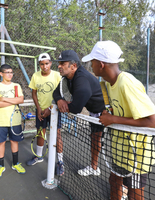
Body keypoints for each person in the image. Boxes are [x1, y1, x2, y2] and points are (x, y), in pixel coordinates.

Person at [82, 40, 155, 200]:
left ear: (101, 64)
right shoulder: (107, 84)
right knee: (114, 182)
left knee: (135, 195)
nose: (91, 65)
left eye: (92, 61)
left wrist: (113, 118)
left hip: (136, 156)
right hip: (120, 151)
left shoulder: (126, 83)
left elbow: (153, 121)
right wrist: (110, 114)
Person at [53, 50, 105, 176]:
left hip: (106, 114)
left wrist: (67, 104)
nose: (59, 66)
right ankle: (94, 167)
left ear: (74, 66)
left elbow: (76, 108)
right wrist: (60, 100)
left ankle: (124, 187)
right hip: (94, 113)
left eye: (63, 63)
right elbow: (56, 92)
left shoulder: (81, 79)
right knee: (94, 139)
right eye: (59, 63)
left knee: (116, 149)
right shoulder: (67, 77)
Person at [26, 53, 64, 176]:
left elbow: (62, 94)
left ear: (51, 63)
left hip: (55, 111)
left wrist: (51, 108)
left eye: (47, 63)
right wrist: (38, 109)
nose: (44, 66)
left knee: (57, 134)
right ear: (39, 65)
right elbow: (34, 93)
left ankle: (60, 162)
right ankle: (39, 156)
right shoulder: (35, 76)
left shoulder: (57, 75)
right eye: (42, 64)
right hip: (41, 111)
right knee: (40, 132)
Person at [0, 64, 26, 179]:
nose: (10, 74)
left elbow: (21, 99)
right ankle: (1, 166)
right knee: (1, 143)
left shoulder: (16, 86)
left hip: (14, 120)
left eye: (11, 72)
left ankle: (15, 163)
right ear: (1, 74)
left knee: (14, 141)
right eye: (7, 72)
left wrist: (4, 99)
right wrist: (13, 101)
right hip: (0, 121)